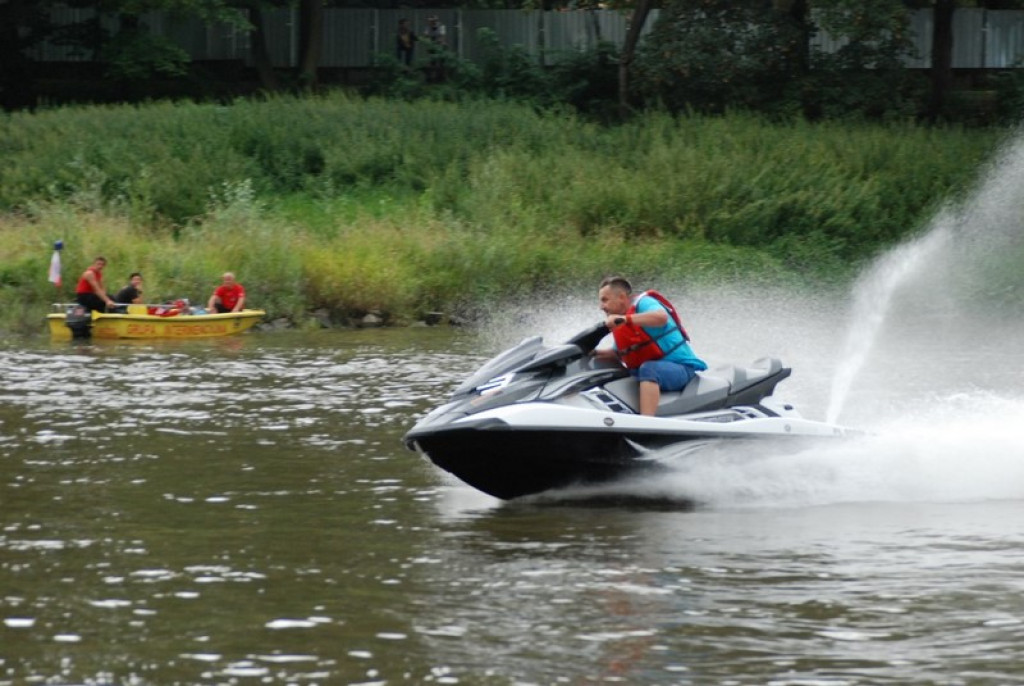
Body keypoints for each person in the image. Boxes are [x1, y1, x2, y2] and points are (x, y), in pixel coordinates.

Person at [594, 276, 707, 416]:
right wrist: (591, 353)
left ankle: (646, 423)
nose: (601, 307)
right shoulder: (622, 320)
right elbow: (617, 353)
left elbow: (661, 318)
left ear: (622, 297)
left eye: (605, 300)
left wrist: (624, 319)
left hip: (681, 368)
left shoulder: (644, 303)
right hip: (652, 371)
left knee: (648, 369)